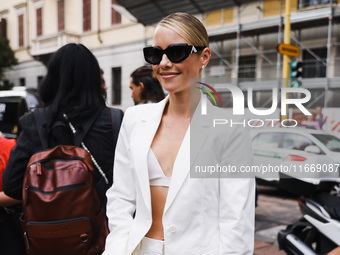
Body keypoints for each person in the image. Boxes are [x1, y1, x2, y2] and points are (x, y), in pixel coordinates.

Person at [104, 12, 255, 255]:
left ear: (204, 56)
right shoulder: (134, 120)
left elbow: (236, 222)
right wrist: (118, 248)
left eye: (176, 52)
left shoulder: (230, 128)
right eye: (155, 54)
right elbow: (120, 197)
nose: (163, 63)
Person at [2, 43, 123, 252]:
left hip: (47, 239)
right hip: (102, 239)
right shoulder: (114, 120)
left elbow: (12, 188)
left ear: (52, 78)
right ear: (95, 79)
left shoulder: (33, 122)